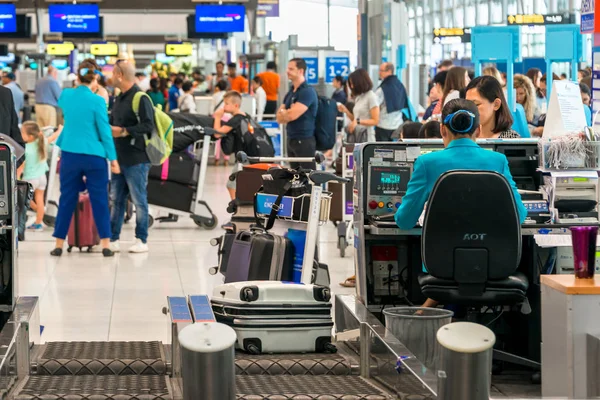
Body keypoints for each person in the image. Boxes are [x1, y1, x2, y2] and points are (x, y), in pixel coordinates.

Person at [394, 99, 527, 308]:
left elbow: (404, 221)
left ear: (442, 130)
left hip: (441, 267)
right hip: (496, 265)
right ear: (479, 129)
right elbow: (520, 215)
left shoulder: (427, 163)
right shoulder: (497, 161)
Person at [50, 66, 119, 257]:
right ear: (95, 80)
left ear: (78, 79)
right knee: (100, 200)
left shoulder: (66, 95)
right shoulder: (97, 101)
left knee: (66, 199)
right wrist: (113, 158)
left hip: (70, 154)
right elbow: (104, 131)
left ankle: (58, 244)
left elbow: (64, 103)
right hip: (94, 156)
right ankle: (105, 244)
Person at [109, 60, 155, 254]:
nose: (110, 77)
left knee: (139, 200)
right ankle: (113, 238)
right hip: (119, 158)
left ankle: (141, 239)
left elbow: (148, 125)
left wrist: (125, 131)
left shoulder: (140, 98)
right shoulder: (118, 99)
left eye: (113, 73)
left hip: (137, 159)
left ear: (120, 75)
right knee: (117, 200)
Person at [277, 58, 319, 169]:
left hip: (304, 139)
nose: (287, 71)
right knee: (295, 177)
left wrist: (286, 112)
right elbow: (279, 118)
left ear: (300, 71)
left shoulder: (307, 91)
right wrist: (286, 112)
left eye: (291, 69)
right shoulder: (290, 92)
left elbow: (291, 115)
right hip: (291, 139)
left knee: (309, 176)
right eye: (287, 68)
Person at [213, 91, 251, 199]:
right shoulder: (246, 116)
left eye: (226, 104)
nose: (224, 106)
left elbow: (217, 134)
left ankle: (236, 207)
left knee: (231, 184)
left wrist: (217, 117)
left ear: (236, 105)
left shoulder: (236, 119)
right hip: (250, 155)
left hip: (244, 158)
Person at [17, 121, 49, 231]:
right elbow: (51, 138)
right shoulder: (42, 141)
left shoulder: (25, 149)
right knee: (39, 199)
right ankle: (38, 223)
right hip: (42, 178)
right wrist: (59, 131)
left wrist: (16, 178)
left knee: (25, 199)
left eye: (22, 132)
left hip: (30, 179)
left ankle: (38, 210)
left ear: (30, 136)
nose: (21, 134)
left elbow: (21, 167)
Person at [337, 68, 380, 143]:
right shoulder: (359, 98)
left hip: (366, 137)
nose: (352, 87)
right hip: (356, 136)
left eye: (353, 83)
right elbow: (356, 118)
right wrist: (346, 111)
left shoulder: (371, 96)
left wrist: (357, 121)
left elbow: (375, 121)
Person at [375, 62, 409, 142]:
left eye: (381, 70)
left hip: (383, 126)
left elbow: (375, 105)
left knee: (382, 152)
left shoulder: (382, 89)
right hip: (398, 125)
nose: (379, 73)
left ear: (389, 71)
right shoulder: (400, 85)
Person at [212, 80, 230, 167]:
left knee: (217, 139)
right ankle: (226, 160)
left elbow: (211, 109)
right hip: (227, 118)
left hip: (217, 117)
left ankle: (216, 159)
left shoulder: (215, 95)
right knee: (226, 138)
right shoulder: (229, 96)